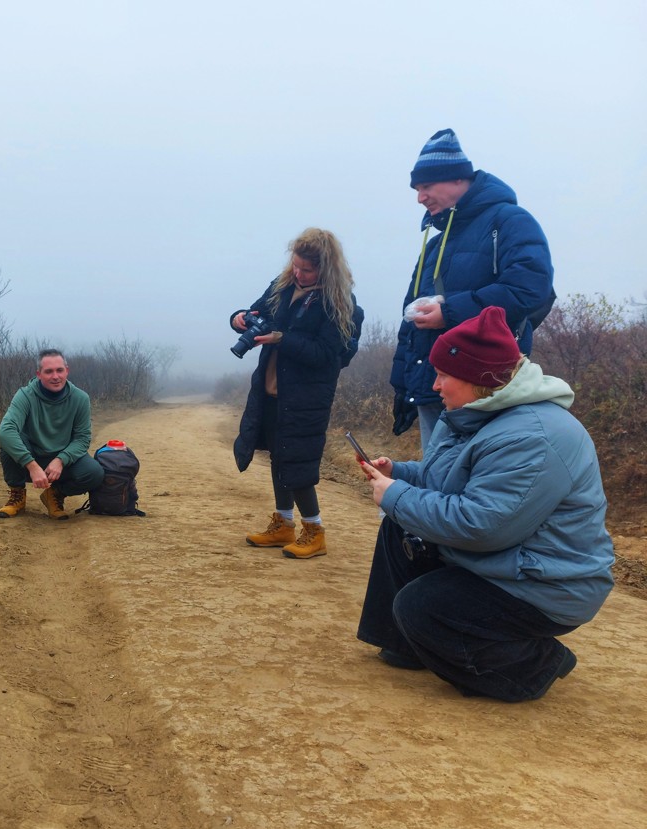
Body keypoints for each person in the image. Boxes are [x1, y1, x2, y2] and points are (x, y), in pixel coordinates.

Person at [357, 306, 613, 702]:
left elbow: (481, 526)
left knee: (421, 607)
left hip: (546, 583)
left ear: (479, 379)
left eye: (444, 375)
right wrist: (400, 474)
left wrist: (396, 496)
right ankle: (408, 645)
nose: (435, 385)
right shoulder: (476, 412)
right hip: (506, 563)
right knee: (401, 523)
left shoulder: (532, 435)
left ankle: (537, 662)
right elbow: (448, 480)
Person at [392, 128, 556, 452]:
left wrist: (450, 312)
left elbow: (530, 288)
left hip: (486, 389)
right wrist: (403, 386)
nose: (420, 197)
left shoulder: (509, 220)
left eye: (426, 186)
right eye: (416, 189)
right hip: (432, 389)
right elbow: (409, 317)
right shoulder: (434, 243)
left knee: (476, 488)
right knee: (436, 484)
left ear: (457, 180)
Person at [230, 228, 364, 559]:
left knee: (297, 460)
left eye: (307, 270)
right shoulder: (283, 285)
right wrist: (239, 319)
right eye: (296, 266)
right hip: (273, 389)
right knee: (278, 456)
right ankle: (283, 524)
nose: (299, 274)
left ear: (325, 268)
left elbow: (326, 355)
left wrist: (282, 339)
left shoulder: (338, 302)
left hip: (307, 397)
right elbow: (256, 312)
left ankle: (315, 531)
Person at [0, 349, 104, 520]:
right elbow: (5, 431)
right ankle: (17, 496)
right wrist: (31, 465)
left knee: (94, 473)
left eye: (59, 370)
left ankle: (54, 495)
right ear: (39, 374)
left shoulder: (80, 398)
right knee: (9, 442)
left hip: (61, 459)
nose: (55, 376)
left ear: (67, 370)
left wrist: (61, 459)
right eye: (49, 371)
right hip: (32, 457)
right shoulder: (25, 395)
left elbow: (82, 439)